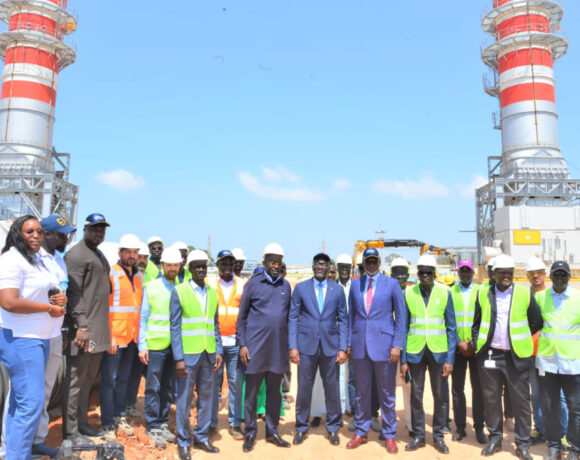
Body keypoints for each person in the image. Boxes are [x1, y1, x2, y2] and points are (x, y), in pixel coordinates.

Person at [0, 215, 67, 459]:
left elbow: (47, 288)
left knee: (21, 403)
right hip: (20, 338)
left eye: (39, 231)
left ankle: (13, 454)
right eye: (30, 231)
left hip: (40, 338)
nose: (36, 235)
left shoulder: (36, 259)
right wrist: (48, 308)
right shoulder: (11, 259)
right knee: (31, 404)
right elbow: (8, 302)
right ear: (18, 233)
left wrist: (59, 298)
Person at [472, 254, 543, 460]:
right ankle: (495, 439)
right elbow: (476, 323)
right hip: (490, 355)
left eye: (509, 272)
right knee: (491, 399)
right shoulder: (483, 293)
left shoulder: (524, 293)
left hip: (516, 356)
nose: (505, 276)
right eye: (502, 272)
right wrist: (478, 345)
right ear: (494, 274)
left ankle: (522, 444)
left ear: (513, 273)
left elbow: (536, 321)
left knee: (521, 401)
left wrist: (520, 340)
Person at [346, 248, 407, 454]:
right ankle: (361, 431)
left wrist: (397, 345)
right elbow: (351, 316)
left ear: (379, 262)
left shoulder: (392, 284)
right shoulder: (355, 284)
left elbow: (401, 317)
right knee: (361, 393)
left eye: (374, 261)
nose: (371, 265)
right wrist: (349, 343)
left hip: (385, 347)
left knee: (387, 393)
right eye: (368, 261)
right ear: (363, 263)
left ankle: (389, 434)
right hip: (360, 347)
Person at [236, 243, 292, 453]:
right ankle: (250, 432)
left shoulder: (286, 286)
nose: (275, 265)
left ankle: (272, 431)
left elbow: (289, 318)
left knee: (274, 393)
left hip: (277, 349)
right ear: (264, 263)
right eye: (272, 262)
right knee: (251, 393)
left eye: (279, 262)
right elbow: (242, 317)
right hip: (255, 348)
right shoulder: (253, 284)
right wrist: (243, 344)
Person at [62, 213, 112, 444]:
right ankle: (71, 431)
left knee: (88, 380)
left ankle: (81, 423)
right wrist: (81, 325)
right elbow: (73, 293)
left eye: (102, 230)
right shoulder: (77, 255)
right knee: (75, 381)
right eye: (94, 229)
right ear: (85, 230)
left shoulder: (97, 254)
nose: (98, 233)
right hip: (84, 332)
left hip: (98, 331)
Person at [289, 252, 347, 446]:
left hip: (331, 346)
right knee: (304, 388)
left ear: (329, 268)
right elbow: (292, 318)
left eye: (324, 264)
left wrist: (342, 348)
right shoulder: (301, 288)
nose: (321, 267)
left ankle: (333, 427)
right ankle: (301, 427)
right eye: (318, 264)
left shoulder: (337, 290)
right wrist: (293, 346)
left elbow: (343, 320)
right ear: (313, 266)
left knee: (332, 389)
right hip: (306, 346)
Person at [400, 254, 456, 454]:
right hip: (415, 352)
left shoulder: (445, 292)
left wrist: (450, 359)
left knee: (440, 396)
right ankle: (419, 435)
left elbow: (451, 328)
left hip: (438, 353)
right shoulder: (409, 293)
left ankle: (438, 436)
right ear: (417, 273)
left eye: (429, 272)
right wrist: (404, 360)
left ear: (434, 274)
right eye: (422, 272)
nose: (425, 275)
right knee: (416, 395)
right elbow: (403, 328)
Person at [171, 249, 223, 460]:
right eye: (197, 266)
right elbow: (175, 327)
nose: (201, 269)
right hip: (188, 356)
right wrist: (178, 358)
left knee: (207, 398)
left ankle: (201, 436)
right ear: (190, 269)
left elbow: (215, 324)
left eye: (203, 266)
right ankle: (183, 441)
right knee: (184, 400)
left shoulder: (212, 292)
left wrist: (218, 350)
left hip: (208, 354)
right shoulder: (180, 291)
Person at [33, 215, 76, 457]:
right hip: (32, 334)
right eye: (62, 235)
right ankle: (11, 445)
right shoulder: (31, 258)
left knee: (46, 389)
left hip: (55, 333)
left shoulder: (60, 261)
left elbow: (63, 293)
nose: (66, 239)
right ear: (46, 234)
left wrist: (64, 327)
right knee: (25, 392)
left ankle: (37, 439)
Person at [100, 234, 143, 441]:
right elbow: (105, 308)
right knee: (110, 381)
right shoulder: (112, 274)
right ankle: (107, 422)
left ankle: (119, 415)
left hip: (132, 338)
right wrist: (109, 337)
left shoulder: (139, 277)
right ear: (120, 253)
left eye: (135, 252)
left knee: (124, 379)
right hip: (115, 338)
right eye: (128, 252)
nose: (131, 256)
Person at [536, 261, 580, 460]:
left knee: (575, 407)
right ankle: (553, 445)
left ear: (569, 277)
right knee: (549, 405)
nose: (560, 278)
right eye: (556, 274)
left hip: (573, 363)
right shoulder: (540, 297)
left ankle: (575, 448)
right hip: (547, 362)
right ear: (550, 276)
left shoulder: (578, 298)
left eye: (563, 275)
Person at [138, 247, 181, 447]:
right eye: (169, 265)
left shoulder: (182, 288)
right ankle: (153, 424)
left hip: (175, 347)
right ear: (162, 265)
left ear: (180, 266)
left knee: (168, 387)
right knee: (153, 387)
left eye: (175, 265)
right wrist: (142, 344)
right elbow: (144, 317)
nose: (172, 268)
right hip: (155, 344)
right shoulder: (151, 287)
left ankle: (163, 422)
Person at [208, 249, 246, 440]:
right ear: (217, 265)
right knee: (213, 385)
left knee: (235, 384)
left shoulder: (243, 284)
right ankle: (211, 423)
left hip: (235, 343)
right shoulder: (209, 284)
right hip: (214, 343)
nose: (228, 266)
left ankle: (235, 423)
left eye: (231, 263)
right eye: (224, 263)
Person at [450, 259, 487, 444]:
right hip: (457, 349)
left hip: (476, 348)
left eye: (468, 270)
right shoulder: (451, 292)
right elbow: (447, 321)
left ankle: (479, 427)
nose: (465, 273)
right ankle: (460, 427)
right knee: (457, 389)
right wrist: (458, 343)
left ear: (473, 272)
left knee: (478, 389)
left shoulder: (482, 292)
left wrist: (474, 343)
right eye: (462, 270)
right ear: (458, 272)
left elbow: (485, 319)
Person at [389, 257, 413, 437]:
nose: (399, 276)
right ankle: (389, 426)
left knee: (409, 388)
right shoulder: (386, 293)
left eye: (403, 273)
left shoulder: (413, 294)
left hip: (410, 349)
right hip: (389, 349)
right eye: (396, 273)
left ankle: (411, 425)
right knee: (388, 389)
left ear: (408, 275)